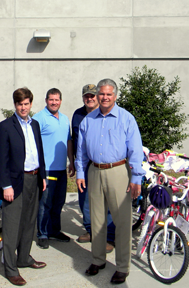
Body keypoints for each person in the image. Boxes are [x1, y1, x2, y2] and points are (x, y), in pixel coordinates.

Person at [75, 79, 145, 284]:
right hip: (94, 172)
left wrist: (136, 177)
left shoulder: (126, 119)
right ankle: (98, 260)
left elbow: (135, 150)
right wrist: (80, 172)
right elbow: (81, 150)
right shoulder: (89, 120)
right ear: (97, 95)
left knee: (122, 221)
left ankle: (122, 266)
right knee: (96, 220)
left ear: (115, 95)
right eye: (101, 94)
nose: (104, 98)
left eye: (108, 94)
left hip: (118, 172)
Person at [0, 87, 47, 286]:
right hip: (15, 181)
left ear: (31, 104)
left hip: (34, 179)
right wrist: (6, 185)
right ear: (15, 105)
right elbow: (1, 159)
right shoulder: (5, 127)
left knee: (29, 221)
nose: (23, 107)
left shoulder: (35, 125)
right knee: (12, 226)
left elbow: (39, 152)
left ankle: (24, 258)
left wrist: (42, 175)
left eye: (26, 104)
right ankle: (10, 269)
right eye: (19, 104)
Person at [72, 84, 115, 253]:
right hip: (84, 163)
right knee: (85, 199)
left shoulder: (106, 114)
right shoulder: (77, 115)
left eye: (92, 96)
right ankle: (90, 230)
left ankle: (109, 237)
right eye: (86, 96)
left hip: (103, 163)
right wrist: (73, 162)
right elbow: (73, 140)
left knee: (108, 200)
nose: (89, 99)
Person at [33, 88, 75, 249]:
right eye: (51, 99)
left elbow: (68, 141)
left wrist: (71, 161)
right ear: (46, 100)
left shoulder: (65, 119)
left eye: (57, 99)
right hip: (47, 169)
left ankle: (54, 231)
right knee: (45, 203)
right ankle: (42, 233)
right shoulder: (39, 118)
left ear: (61, 101)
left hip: (61, 168)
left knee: (58, 202)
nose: (54, 102)